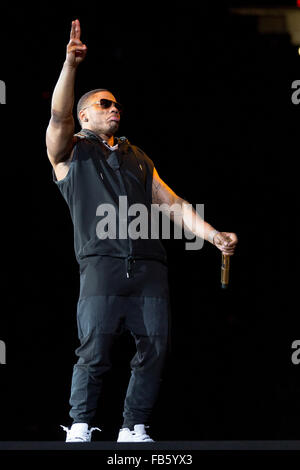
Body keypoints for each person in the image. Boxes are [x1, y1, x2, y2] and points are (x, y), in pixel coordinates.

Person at [46, 19, 238, 443]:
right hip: (101, 264)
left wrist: (213, 235)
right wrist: (70, 66)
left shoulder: (138, 157)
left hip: (149, 266)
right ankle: (80, 423)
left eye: (117, 105)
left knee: (155, 347)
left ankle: (133, 427)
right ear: (85, 114)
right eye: (104, 104)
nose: (115, 108)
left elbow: (174, 206)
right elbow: (58, 114)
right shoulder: (69, 153)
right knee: (94, 348)